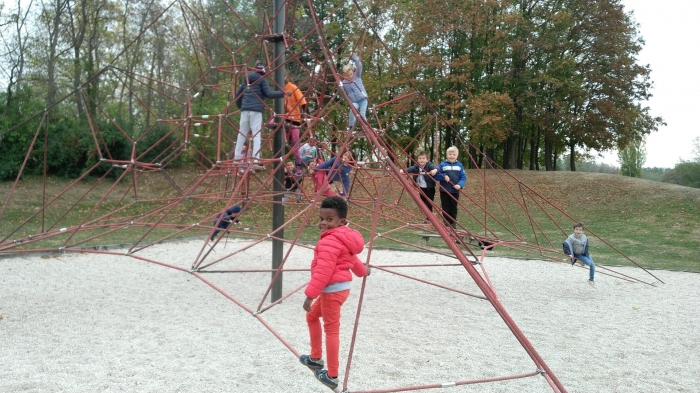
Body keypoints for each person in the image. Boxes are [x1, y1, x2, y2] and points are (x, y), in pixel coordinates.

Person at [299, 196, 370, 390]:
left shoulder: (329, 242)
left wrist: (310, 295)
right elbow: (352, 260)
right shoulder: (344, 237)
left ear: (342, 222)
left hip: (331, 292)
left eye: (329, 220)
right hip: (340, 290)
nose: (323, 223)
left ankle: (332, 375)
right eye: (322, 218)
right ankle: (315, 357)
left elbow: (324, 272)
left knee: (332, 330)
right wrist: (364, 271)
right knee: (312, 316)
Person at [233, 60, 288, 164]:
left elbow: (238, 96)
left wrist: (241, 106)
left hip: (245, 110)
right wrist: (283, 93)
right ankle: (255, 158)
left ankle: (236, 158)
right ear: (263, 70)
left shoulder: (246, 79)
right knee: (256, 134)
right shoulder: (262, 79)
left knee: (242, 133)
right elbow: (269, 94)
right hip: (256, 111)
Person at [401, 151, 439, 224]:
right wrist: (403, 170)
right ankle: (429, 217)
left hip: (429, 189)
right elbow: (410, 169)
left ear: (427, 160)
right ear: (417, 160)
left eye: (423, 158)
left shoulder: (429, 166)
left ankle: (429, 219)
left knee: (429, 204)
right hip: (421, 189)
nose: (421, 160)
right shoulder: (416, 167)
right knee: (423, 204)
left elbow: (436, 167)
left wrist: (434, 170)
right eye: (420, 158)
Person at [436, 146, 466, 229]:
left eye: (454, 154)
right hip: (444, 190)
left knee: (453, 207)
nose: (451, 156)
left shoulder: (459, 165)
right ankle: (446, 224)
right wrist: (444, 176)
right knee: (445, 207)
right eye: (450, 154)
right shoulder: (442, 165)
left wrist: (460, 185)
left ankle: (453, 223)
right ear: (446, 155)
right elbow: (436, 175)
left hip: (455, 190)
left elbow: (463, 177)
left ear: (457, 156)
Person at [284, 74, 307, 167]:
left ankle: (298, 164)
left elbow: (303, 101)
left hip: (294, 119)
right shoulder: (279, 90)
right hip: (285, 119)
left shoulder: (292, 87)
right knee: (281, 141)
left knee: (295, 144)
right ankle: (280, 161)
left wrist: (306, 114)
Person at [563, 222, 596, 286]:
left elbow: (586, 246)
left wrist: (587, 254)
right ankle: (579, 261)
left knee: (593, 266)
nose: (578, 231)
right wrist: (568, 254)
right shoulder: (571, 238)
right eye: (577, 229)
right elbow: (566, 245)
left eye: (580, 230)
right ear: (574, 230)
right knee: (589, 263)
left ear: (583, 231)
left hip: (584, 253)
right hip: (577, 254)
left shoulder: (584, 237)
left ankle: (591, 280)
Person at [340, 53, 368, 129]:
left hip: (363, 99)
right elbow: (341, 91)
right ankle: (351, 125)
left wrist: (354, 58)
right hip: (355, 101)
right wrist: (339, 86)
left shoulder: (357, 76)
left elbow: (360, 65)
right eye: (347, 75)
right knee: (352, 110)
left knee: (362, 114)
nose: (350, 76)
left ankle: (365, 128)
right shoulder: (344, 83)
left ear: (353, 72)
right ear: (344, 75)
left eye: (351, 74)